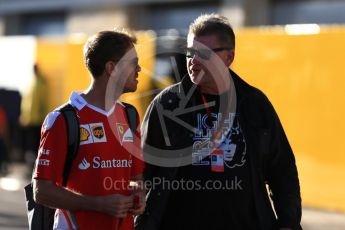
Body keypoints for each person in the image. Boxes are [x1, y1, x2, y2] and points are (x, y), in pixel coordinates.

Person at [136, 14, 302, 230]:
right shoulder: (167, 105)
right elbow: (143, 170)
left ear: (229, 57)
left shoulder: (254, 103)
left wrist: (288, 223)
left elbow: (282, 170)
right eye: (190, 52)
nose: (193, 61)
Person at [33, 29, 146, 230]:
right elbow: (41, 191)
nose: (139, 68)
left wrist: (138, 194)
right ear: (111, 68)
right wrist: (97, 204)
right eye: (133, 62)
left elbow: (135, 177)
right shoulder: (63, 119)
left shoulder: (130, 115)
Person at [20, 63, 49, 163]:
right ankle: (32, 161)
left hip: (37, 120)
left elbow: (39, 103)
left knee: (35, 142)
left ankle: (34, 162)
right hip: (33, 120)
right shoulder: (35, 83)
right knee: (33, 142)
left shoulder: (38, 84)